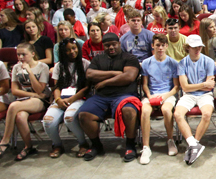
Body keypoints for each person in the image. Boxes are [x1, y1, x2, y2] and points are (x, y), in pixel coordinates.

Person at [77, 32, 141, 162]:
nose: (111, 47)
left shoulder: (129, 58)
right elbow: (90, 74)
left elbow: (128, 77)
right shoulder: (98, 59)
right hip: (101, 96)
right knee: (84, 115)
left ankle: (130, 145)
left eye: (113, 44)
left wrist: (104, 82)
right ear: (103, 46)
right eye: (107, 45)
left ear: (119, 44)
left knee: (129, 111)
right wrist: (115, 73)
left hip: (125, 95)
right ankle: (96, 145)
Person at [0, 43, 50, 160]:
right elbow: (15, 91)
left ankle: (5, 141)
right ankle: (28, 146)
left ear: (32, 54)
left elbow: (40, 89)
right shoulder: (16, 67)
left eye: (24, 54)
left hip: (41, 100)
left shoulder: (43, 67)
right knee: (20, 116)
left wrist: (29, 72)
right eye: (18, 55)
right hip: (27, 98)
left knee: (13, 106)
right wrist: (33, 94)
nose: (21, 57)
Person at [42, 38, 90, 158]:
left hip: (79, 97)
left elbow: (87, 87)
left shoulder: (85, 63)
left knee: (69, 117)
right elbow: (57, 86)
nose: (72, 52)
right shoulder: (59, 66)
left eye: (74, 48)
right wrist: (58, 100)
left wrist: (72, 99)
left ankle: (83, 143)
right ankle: (57, 144)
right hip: (61, 98)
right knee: (48, 121)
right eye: (68, 50)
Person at [140, 34, 180, 165]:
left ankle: (170, 140)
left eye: (163, 45)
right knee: (145, 111)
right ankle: (146, 147)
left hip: (167, 95)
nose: (160, 48)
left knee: (167, 110)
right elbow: (145, 84)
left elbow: (175, 87)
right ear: (153, 46)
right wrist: (150, 96)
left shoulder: (173, 63)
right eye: (158, 45)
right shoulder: (146, 63)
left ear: (167, 46)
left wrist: (165, 96)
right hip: (151, 94)